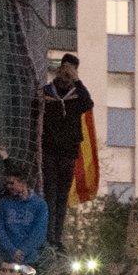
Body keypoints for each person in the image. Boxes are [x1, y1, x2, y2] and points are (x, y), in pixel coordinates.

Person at [36, 51, 95, 245]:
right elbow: (34, 112)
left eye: (71, 70)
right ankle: (48, 236)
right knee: (49, 194)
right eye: (65, 69)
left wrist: (77, 81)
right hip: (49, 150)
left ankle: (57, 237)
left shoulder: (77, 95)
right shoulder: (46, 93)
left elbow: (88, 104)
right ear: (59, 69)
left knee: (62, 197)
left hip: (68, 152)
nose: (67, 74)